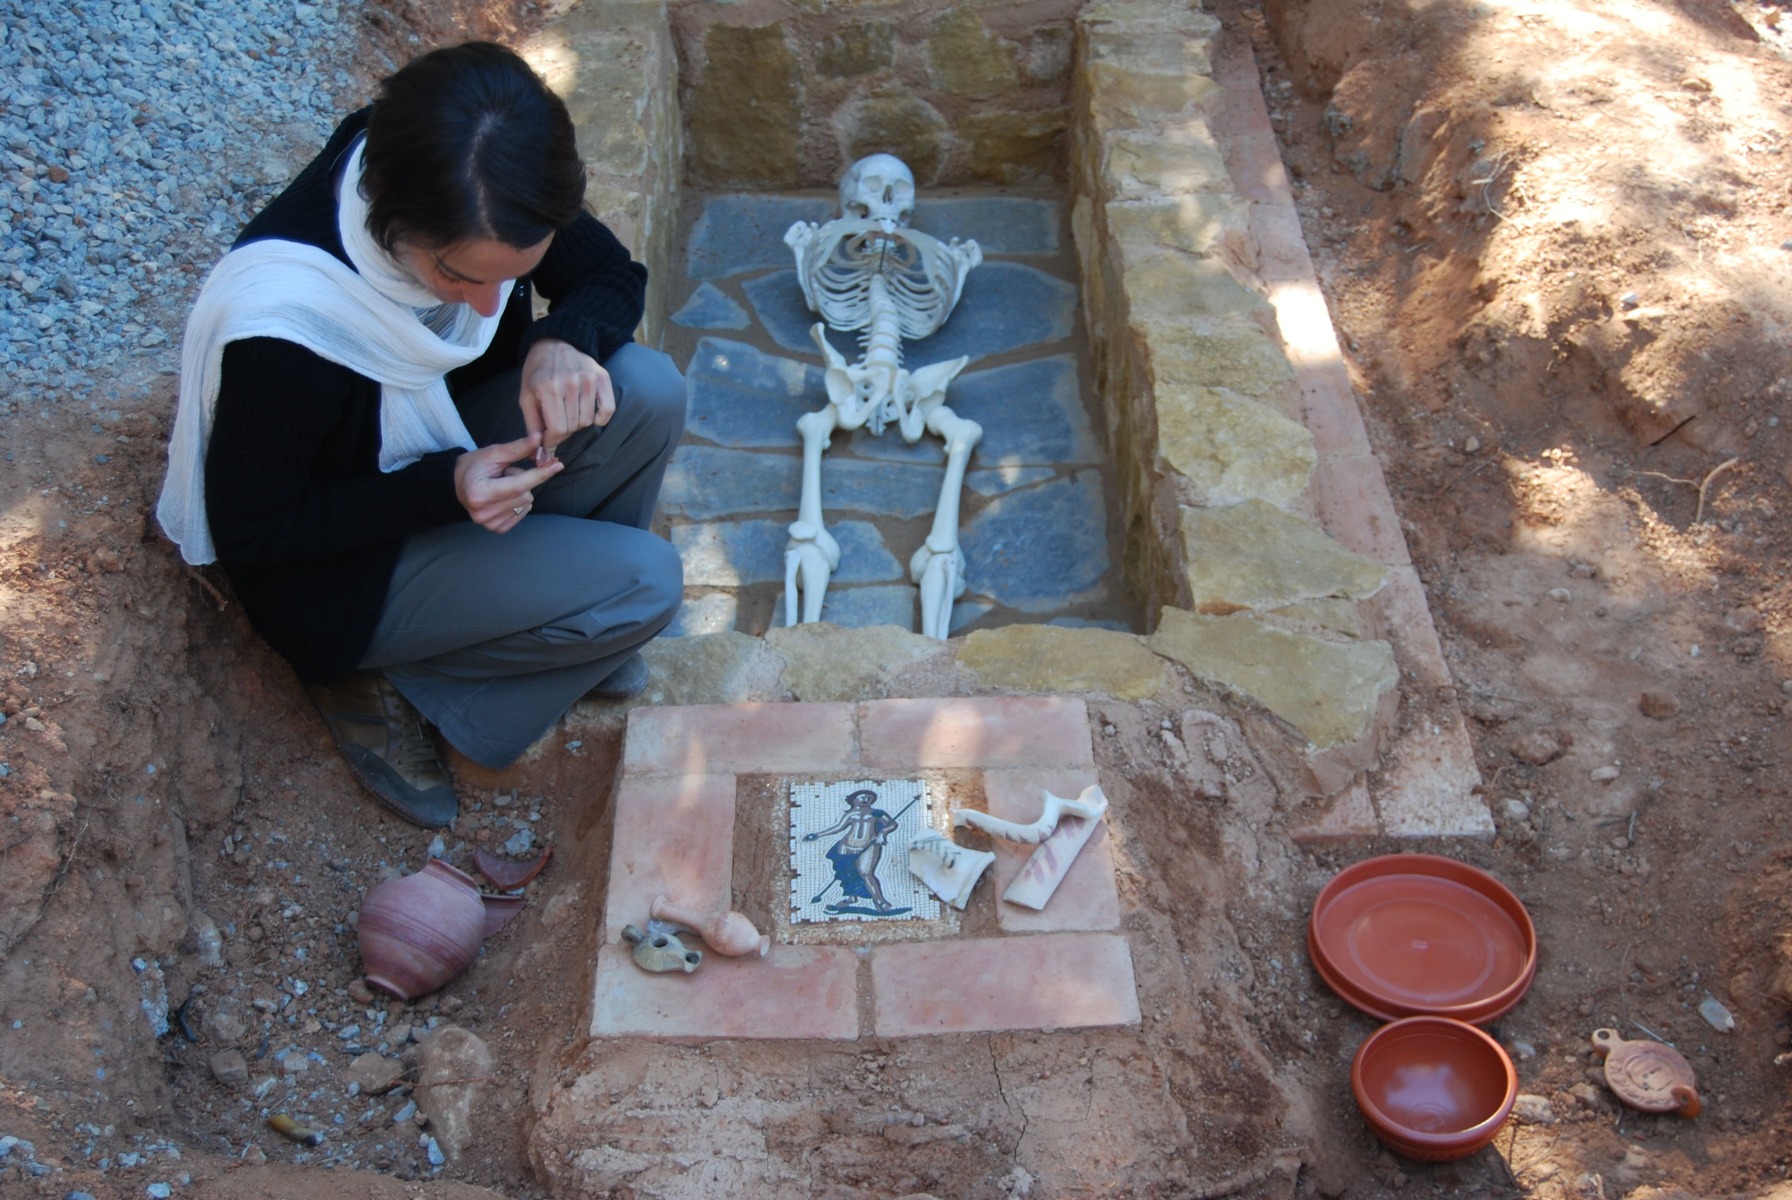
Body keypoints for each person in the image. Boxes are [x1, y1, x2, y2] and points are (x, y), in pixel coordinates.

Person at [156, 42, 685, 828]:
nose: (488, 306)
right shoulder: (287, 331)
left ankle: (564, 618)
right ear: (393, 224)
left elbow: (610, 275)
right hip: (340, 574)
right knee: (647, 584)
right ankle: (384, 679)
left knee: (647, 388)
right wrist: (443, 490)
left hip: (442, 446)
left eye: (513, 276)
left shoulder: (485, 178)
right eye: (460, 277)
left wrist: (560, 340)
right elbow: (256, 530)